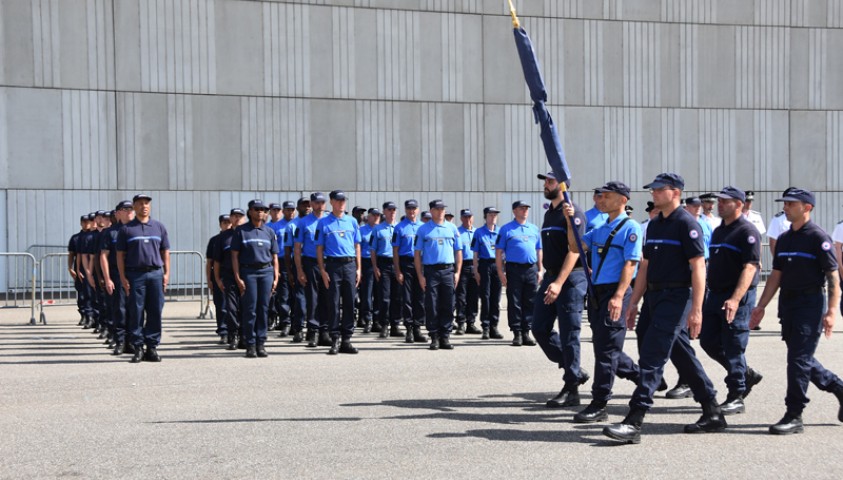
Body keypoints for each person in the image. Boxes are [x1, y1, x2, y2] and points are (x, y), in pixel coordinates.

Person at [603, 173, 725, 444]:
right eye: (653, 190)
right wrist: (634, 302)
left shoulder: (686, 223)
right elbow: (645, 265)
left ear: (676, 192)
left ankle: (634, 421)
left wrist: (697, 309)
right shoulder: (655, 224)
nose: (654, 193)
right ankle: (712, 410)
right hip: (654, 297)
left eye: (659, 190)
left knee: (652, 355)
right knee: (679, 353)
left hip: (677, 296)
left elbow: (698, 267)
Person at [750, 188, 843, 435]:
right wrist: (760, 306)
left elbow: (832, 277)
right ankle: (838, 387)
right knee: (799, 357)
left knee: (798, 360)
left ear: (807, 207)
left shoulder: (817, 237)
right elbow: (775, 276)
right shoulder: (785, 238)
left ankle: (794, 414)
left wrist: (832, 311)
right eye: (785, 204)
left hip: (810, 304)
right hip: (788, 305)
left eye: (791, 204)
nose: (786, 207)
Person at [563, 181, 642, 423]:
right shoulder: (599, 228)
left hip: (614, 292)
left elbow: (631, 264)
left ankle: (599, 403)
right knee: (603, 345)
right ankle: (644, 376)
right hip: (596, 292)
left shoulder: (631, 227)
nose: (602, 199)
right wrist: (570, 221)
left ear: (623, 200)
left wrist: (619, 296)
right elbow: (575, 245)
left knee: (606, 350)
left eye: (607, 196)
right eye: (601, 196)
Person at [699, 187, 764, 416]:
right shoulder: (719, 232)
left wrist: (735, 299)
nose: (720, 204)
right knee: (707, 341)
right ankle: (745, 374)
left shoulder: (748, 231)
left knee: (734, 345)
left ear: (738, 204)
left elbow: (750, 267)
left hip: (736, 297)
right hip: (715, 295)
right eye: (719, 201)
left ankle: (736, 395)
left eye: (725, 201)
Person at [532, 172, 589, 408]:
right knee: (539, 328)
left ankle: (571, 389)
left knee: (569, 334)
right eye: (545, 181)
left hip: (571, 278)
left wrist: (558, 282)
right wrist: (549, 279)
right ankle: (573, 369)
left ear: (563, 185)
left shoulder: (572, 212)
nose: (546, 185)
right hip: (551, 276)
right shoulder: (550, 213)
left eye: (550, 181)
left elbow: (576, 250)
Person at [116, 194, 171, 363]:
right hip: (135, 275)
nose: (144, 206)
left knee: (155, 311)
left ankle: (152, 347)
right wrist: (123, 277)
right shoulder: (126, 230)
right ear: (134, 206)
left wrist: (167, 273)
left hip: (155, 273)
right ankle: (138, 347)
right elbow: (120, 256)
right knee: (136, 311)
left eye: (147, 203)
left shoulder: (158, 227)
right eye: (140, 203)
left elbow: (165, 252)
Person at [316, 190, 362, 355]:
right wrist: (322, 270)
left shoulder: (352, 221)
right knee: (334, 303)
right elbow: (319, 248)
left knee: (350, 302)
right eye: (338, 200)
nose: (341, 203)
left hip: (349, 265)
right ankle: (335, 338)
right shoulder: (323, 223)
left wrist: (358, 268)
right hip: (333, 266)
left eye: (343, 200)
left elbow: (357, 245)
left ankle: (347, 339)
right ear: (331, 202)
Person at [231, 200, 279, 358]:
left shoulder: (269, 232)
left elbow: (274, 256)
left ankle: (261, 343)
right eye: (257, 209)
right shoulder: (241, 231)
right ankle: (250, 344)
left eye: (263, 210)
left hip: (266, 272)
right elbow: (235, 256)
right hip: (249, 272)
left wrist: (275, 276)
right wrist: (238, 277)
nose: (260, 212)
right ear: (250, 211)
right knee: (250, 310)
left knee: (263, 309)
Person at [415, 199, 462, 350]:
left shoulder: (452, 228)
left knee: (448, 303)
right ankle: (434, 335)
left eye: (443, 209)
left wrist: (457, 272)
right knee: (432, 304)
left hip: (448, 270)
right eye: (438, 209)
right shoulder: (423, 230)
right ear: (431, 211)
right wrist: (420, 276)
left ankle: (445, 336)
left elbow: (458, 251)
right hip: (431, 271)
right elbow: (417, 254)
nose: (441, 211)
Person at [496, 200, 541, 347]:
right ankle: (517, 332)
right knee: (515, 301)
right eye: (522, 208)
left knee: (530, 301)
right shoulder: (506, 229)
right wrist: (500, 271)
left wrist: (540, 269)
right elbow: (499, 251)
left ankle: (526, 332)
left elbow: (539, 250)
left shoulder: (534, 229)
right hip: (514, 269)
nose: (525, 210)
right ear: (514, 211)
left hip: (531, 268)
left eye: (526, 208)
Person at [295, 192, 330, 348]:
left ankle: (325, 331)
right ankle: (313, 331)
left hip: (329, 263)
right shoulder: (303, 223)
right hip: (311, 263)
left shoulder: (330, 220)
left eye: (322, 202)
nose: (319, 205)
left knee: (328, 298)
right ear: (312, 204)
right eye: (316, 202)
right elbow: (297, 248)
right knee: (313, 298)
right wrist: (300, 270)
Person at [101, 201, 135, 355]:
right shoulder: (111, 232)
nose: (129, 211)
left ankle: (133, 341)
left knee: (136, 309)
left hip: (136, 273)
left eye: (131, 209)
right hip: (116, 274)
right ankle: (120, 341)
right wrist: (107, 278)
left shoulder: (139, 229)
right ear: (118, 213)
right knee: (119, 309)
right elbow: (104, 256)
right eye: (125, 209)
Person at [393, 199, 427, 343]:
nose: (411, 211)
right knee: (406, 298)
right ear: (405, 210)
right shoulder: (399, 228)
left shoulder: (423, 227)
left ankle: (418, 327)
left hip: (421, 264)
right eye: (409, 209)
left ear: (418, 210)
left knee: (419, 297)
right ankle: (409, 329)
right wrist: (398, 270)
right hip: (405, 263)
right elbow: (395, 251)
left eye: (414, 209)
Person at [214, 208, 247, 350]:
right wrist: (217, 279)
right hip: (228, 277)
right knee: (231, 308)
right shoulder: (223, 237)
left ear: (244, 218)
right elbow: (216, 261)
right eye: (234, 216)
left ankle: (244, 336)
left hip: (246, 276)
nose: (237, 219)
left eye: (240, 216)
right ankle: (233, 335)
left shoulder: (248, 233)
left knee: (246, 308)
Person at [371, 201, 403, 338]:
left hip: (398, 264)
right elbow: (373, 250)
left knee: (397, 297)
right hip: (383, 264)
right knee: (384, 297)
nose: (392, 212)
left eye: (394, 210)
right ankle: (384, 325)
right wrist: (375, 267)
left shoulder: (400, 228)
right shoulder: (377, 229)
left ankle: (395, 325)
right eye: (389, 210)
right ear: (384, 212)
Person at [472, 207, 504, 339]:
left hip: (497, 266)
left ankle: (494, 326)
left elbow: (504, 253)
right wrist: (476, 270)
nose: (493, 217)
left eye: (495, 215)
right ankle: (485, 326)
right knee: (485, 297)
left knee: (496, 297)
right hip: (485, 265)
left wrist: (503, 270)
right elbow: (475, 253)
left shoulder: (500, 231)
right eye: (490, 215)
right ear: (485, 216)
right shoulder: (479, 232)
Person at [269, 201, 296, 337]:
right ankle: (285, 322)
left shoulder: (298, 224)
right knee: (283, 295)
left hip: (297, 261)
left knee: (296, 295)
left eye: (292, 209)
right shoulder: (274, 226)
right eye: (288, 210)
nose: (290, 212)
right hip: (280, 261)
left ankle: (296, 322)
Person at [286, 198, 311, 342]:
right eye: (304, 205)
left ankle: (314, 328)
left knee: (315, 298)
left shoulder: (316, 222)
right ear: (298, 207)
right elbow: (288, 248)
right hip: (299, 263)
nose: (307, 207)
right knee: (300, 298)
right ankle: (299, 328)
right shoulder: (292, 226)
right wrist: (290, 270)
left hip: (314, 263)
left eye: (308, 205)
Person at [206, 214, 231, 344]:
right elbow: (210, 262)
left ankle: (233, 331)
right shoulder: (214, 240)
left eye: (229, 222)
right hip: (219, 276)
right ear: (220, 224)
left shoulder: (235, 237)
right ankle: (223, 331)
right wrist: (210, 280)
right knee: (221, 305)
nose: (227, 224)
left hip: (232, 276)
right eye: (224, 222)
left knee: (232, 306)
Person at [455, 209, 480, 335]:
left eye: (469, 217)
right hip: (462, 266)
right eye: (465, 217)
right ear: (461, 218)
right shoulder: (457, 232)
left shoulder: (477, 232)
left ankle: (471, 323)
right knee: (461, 296)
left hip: (475, 266)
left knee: (473, 296)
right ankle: (460, 323)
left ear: (473, 217)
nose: (467, 219)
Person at [358, 207, 381, 333]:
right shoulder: (361, 230)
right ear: (369, 216)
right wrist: (359, 268)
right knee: (367, 293)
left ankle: (377, 320)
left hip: (380, 262)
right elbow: (358, 249)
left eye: (378, 215)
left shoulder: (381, 229)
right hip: (366, 263)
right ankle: (367, 319)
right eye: (374, 215)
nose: (376, 217)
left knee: (378, 293)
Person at [767, 187, 795, 258]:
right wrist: (778, 262)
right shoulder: (778, 219)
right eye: (785, 203)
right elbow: (773, 242)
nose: (785, 207)